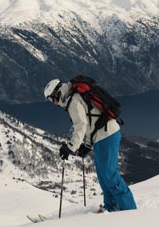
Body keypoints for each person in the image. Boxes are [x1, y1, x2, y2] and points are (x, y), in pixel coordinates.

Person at [44, 78, 137, 212]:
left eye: (52, 99)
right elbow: (90, 123)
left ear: (57, 93)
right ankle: (111, 207)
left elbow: (81, 126)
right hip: (101, 137)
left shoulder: (73, 102)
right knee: (103, 176)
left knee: (110, 176)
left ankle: (129, 210)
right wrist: (87, 144)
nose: (54, 103)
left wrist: (70, 147)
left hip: (107, 135)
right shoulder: (74, 97)